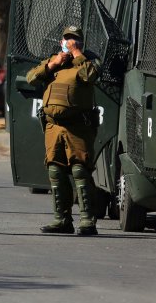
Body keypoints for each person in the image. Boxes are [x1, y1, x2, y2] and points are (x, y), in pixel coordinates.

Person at [26, 25, 101, 236]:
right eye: (66, 39)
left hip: (78, 127)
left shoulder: (87, 61)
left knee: (79, 170)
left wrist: (77, 54)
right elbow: (31, 77)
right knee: (55, 171)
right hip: (53, 126)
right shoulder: (55, 61)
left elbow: (92, 76)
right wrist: (52, 64)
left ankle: (87, 221)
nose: (68, 43)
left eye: (73, 40)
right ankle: (62, 219)